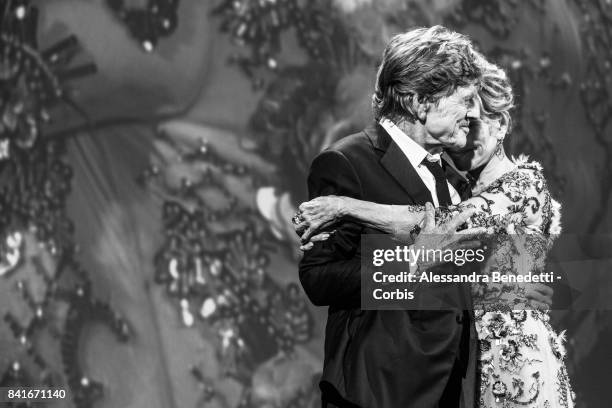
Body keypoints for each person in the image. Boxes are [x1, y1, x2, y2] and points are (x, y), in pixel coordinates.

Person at [294, 53, 574, 407]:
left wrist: (345, 206)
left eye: (477, 121)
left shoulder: (521, 184)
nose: (466, 131)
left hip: (511, 359)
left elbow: (441, 227)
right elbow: (449, 264)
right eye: (462, 115)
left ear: (502, 125)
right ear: (420, 103)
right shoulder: (452, 181)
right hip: (417, 379)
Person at [296, 25, 494, 408]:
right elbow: (317, 278)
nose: (474, 114)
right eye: (465, 100)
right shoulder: (347, 163)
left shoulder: (454, 177)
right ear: (420, 102)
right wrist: (409, 264)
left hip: (448, 391)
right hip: (378, 392)